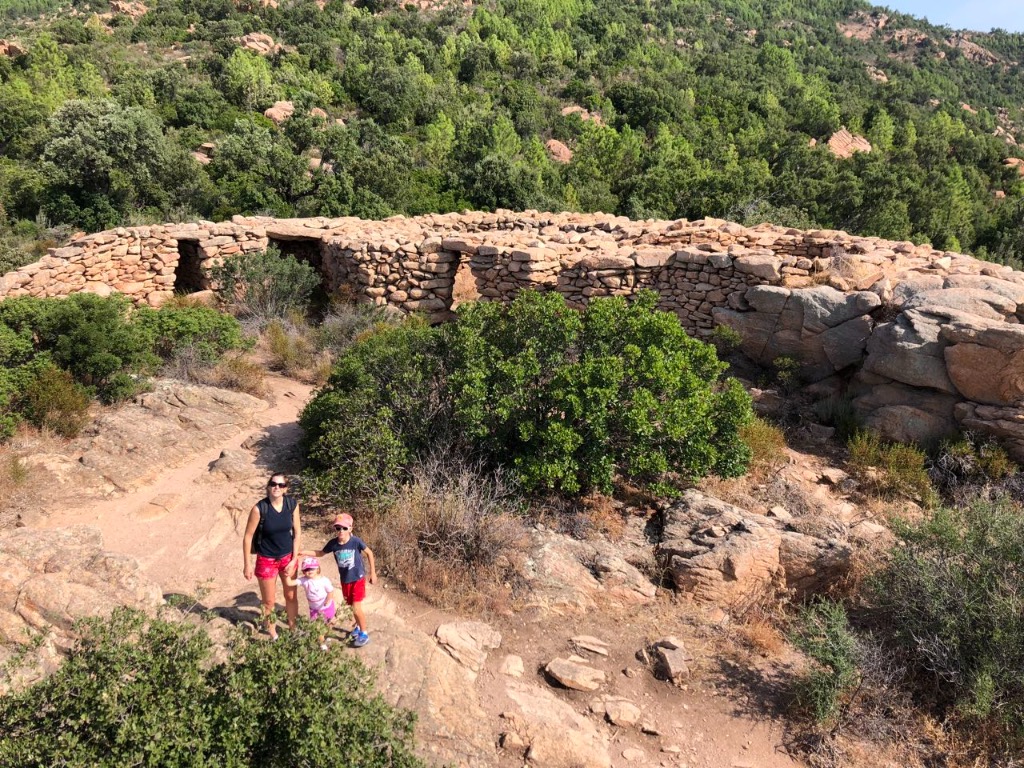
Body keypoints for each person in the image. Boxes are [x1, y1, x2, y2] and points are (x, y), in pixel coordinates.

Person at [242, 472, 302, 640]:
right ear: (268, 486)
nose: (277, 487)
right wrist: (247, 564)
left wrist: (294, 559)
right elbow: (247, 537)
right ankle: (273, 634)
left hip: (288, 557)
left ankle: (293, 630)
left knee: (291, 596)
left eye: (281, 485)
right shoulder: (259, 509)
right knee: (269, 601)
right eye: (273, 484)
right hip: (266, 559)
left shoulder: (292, 505)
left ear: (286, 489)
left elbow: (297, 533)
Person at [303, 512, 376, 647]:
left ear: (350, 528)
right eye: (338, 528)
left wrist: (373, 573)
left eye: (344, 528)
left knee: (356, 607)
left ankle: (364, 633)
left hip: (358, 579)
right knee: (350, 606)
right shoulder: (333, 544)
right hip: (345, 580)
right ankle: (358, 627)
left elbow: (369, 553)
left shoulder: (355, 541)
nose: (341, 531)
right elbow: (320, 553)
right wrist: (304, 552)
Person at [285, 556, 338, 650]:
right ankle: (322, 644)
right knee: (318, 628)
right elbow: (289, 583)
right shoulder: (304, 580)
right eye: (306, 569)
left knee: (329, 624)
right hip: (314, 610)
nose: (309, 571)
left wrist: (328, 600)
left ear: (317, 568)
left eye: (311, 568)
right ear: (303, 571)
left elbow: (330, 591)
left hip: (327, 607)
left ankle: (327, 635)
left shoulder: (324, 580)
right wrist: (287, 574)